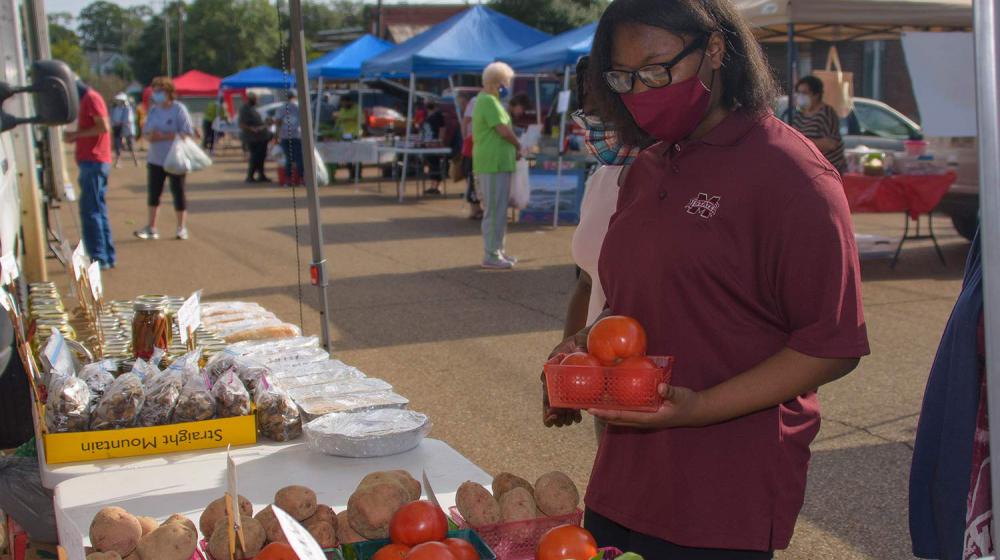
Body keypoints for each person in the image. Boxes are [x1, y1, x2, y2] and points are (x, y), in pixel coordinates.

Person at [544, 0, 870, 557]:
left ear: (715, 49)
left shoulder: (793, 176)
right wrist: (586, 350)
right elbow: (633, 303)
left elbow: (831, 345)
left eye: (657, 70)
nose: (641, 91)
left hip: (724, 495)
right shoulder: (646, 167)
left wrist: (700, 406)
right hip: (624, 481)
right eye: (623, 77)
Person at [564, 55, 640, 442]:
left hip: (643, 379)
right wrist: (564, 365)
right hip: (601, 373)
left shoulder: (664, 177)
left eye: (603, 115)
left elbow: (641, 291)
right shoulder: (600, 178)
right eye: (588, 114)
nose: (595, 128)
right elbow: (585, 282)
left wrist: (584, 344)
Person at [135, 76, 195, 241]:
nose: (156, 94)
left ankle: (181, 227)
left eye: (160, 91)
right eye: (155, 91)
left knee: (178, 192)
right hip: (155, 158)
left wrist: (165, 136)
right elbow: (146, 133)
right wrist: (150, 136)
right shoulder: (153, 110)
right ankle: (151, 226)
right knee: (154, 193)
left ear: (168, 92)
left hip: (175, 158)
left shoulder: (178, 109)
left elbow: (187, 132)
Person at [63, 80, 116, 268]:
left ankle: (98, 257)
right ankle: (106, 256)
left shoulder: (91, 98)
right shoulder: (89, 98)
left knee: (90, 211)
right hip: (94, 161)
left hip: (94, 161)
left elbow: (103, 127)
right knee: (97, 210)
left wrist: (76, 134)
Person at [473, 62, 520, 269]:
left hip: (497, 162)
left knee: (499, 210)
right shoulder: (488, 102)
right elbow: (503, 130)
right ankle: (491, 254)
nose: (507, 86)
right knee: (494, 210)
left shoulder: (488, 100)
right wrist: (519, 144)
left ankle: (497, 251)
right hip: (492, 163)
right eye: (505, 82)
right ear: (497, 83)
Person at [791, 75, 846, 171]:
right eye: (798, 92)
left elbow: (831, 144)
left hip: (827, 168)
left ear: (816, 95)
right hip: (807, 166)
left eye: (804, 93)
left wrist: (803, 142)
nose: (800, 96)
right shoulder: (799, 114)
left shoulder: (826, 113)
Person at [239, 92, 272, 183]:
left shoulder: (254, 108)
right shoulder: (245, 109)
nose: (257, 100)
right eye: (256, 99)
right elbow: (242, 124)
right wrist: (252, 129)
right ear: (251, 99)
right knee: (255, 157)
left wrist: (266, 123)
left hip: (261, 137)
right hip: (252, 138)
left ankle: (261, 175)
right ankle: (250, 176)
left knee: (261, 157)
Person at [276, 91, 305, 186]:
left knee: (288, 159)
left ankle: (288, 181)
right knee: (299, 158)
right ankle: (302, 179)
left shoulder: (281, 108)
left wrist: (276, 135)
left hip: (285, 136)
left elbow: (278, 122)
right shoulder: (299, 107)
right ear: (295, 96)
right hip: (297, 135)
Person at [461, 92, 482, 219]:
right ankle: (474, 209)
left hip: (480, 145)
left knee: (477, 178)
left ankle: (477, 209)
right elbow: (465, 122)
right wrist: (465, 140)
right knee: (473, 177)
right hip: (472, 145)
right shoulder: (476, 101)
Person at [421, 101, 447, 195]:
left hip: (434, 144)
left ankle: (437, 186)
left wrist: (439, 142)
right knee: (431, 165)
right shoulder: (428, 116)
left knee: (435, 164)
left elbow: (442, 129)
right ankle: (433, 186)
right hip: (428, 144)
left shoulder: (438, 116)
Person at [110, 93, 137, 167]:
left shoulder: (128, 109)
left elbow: (128, 119)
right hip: (117, 128)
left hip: (126, 129)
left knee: (130, 146)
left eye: (120, 100)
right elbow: (112, 119)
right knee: (117, 145)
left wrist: (121, 123)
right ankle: (118, 162)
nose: (118, 102)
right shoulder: (114, 109)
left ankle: (135, 160)